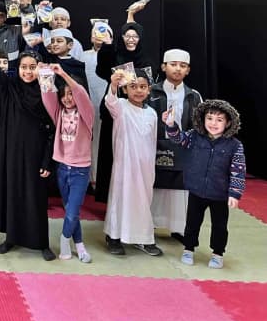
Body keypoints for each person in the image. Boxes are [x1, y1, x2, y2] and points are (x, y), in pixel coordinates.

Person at [0, 51, 56, 261]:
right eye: (23, 67)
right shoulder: (11, 87)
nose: (27, 71)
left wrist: (47, 159)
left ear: (39, 68)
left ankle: (42, 242)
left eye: (32, 67)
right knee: (13, 193)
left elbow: (53, 128)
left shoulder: (47, 91)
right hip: (12, 151)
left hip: (36, 153)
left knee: (36, 197)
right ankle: (11, 238)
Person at [164, 99, 245, 269]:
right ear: (203, 119)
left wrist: (234, 193)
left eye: (219, 119)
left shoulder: (235, 146)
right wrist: (171, 124)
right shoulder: (194, 136)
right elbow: (178, 139)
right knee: (192, 222)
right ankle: (188, 249)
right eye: (210, 118)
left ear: (228, 122)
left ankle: (217, 253)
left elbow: (238, 171)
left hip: (220, 194)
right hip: (196, 190)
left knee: (220, 226)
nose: (213, 123)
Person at [94, 2, 154, 203]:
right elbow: (102, 71)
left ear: (140, 39)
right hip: (114, 110)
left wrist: (130, 15)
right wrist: (107, 47)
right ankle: (109, 198)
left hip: (136, 114)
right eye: (127, 36)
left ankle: (132, 197)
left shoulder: (145, 59)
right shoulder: (114, 53)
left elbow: (149, 85)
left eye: (135, 36)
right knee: (110, 154)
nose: (131, 39)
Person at [103, 68, 162, 256]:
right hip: (125, 165)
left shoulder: (152, 113)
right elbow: (109, 101)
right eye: (133, 86)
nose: (138, 91)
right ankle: (113, 236)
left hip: (145, 167)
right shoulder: (120, 106)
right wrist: (113, 84)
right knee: (120, 199)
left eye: (143, 87)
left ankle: (142, 238)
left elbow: (152, 140)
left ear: (149, 89)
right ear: (125, 89)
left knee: (143, 201)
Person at [41, 64, 94, 263]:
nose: (67, 98)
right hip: (62, 167)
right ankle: (79, 246)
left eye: (70, 94)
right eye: (64, 94)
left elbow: (80, 94)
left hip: (80, 169)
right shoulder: (59, 112)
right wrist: (44, 73)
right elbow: (47, 94)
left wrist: (63, 73)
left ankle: (65, 241)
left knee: (72, 212)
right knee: (71, 210)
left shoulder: (86, 114)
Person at [148, 49, 202, 242]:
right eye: (173, 64)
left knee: (180, 192)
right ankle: (148, 226)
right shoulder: (151, 91)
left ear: (188, 70)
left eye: (183, 65)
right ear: (164, 67)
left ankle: (179, 228)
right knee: (154, 188)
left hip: (182, 149)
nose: (178, 69)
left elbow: (198, 124)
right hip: (153, 146)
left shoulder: (193, 96)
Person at [80, 24, 108, 189]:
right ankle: (89, 177)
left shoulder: (114, 55)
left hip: (106, 105)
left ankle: (101, 177)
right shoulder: (83, 55)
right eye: (96, 33)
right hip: (87, 103)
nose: (99, 36)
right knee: (88, 140)